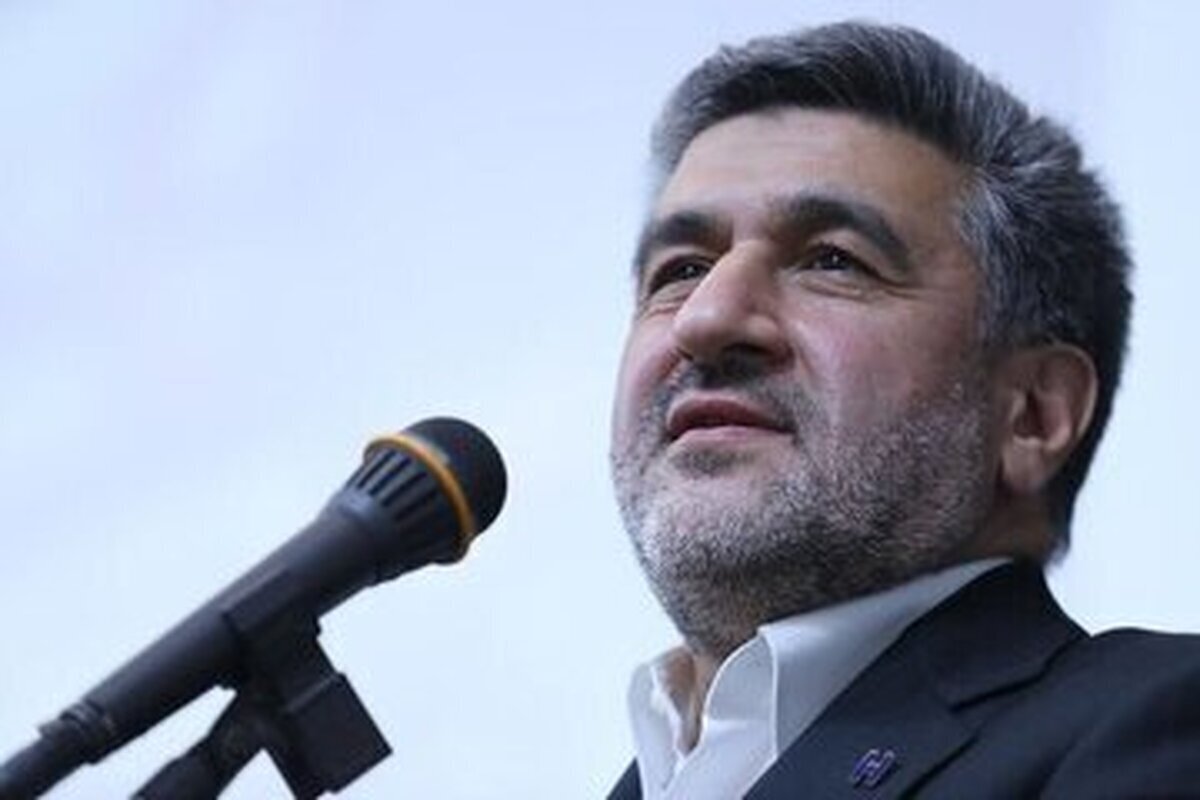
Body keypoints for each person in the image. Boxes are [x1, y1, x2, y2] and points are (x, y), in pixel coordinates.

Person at [606, 21, 1200, 799]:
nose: (706, 318)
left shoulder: (1160, 728)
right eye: (680, 269)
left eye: (833, 260)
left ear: (1032, 413)